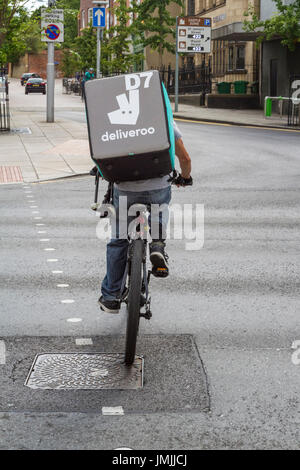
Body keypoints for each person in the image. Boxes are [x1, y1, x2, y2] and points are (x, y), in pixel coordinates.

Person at [98, 120, 192, 314]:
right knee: (160, 207)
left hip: (125, 188)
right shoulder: (162, 117)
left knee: (118, 240)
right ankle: (157, 244)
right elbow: (185, 158)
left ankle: (111, 296)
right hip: (158, 185)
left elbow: (100, 151)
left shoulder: (113, 120)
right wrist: (186, 177)